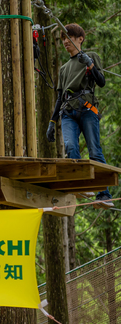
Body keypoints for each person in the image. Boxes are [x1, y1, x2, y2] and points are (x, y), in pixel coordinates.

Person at [45, 23, 112, 207]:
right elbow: (60, 97)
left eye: (69, 38)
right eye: (63, 39)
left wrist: (89, 65)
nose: (65, 42)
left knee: (94, 151)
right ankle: (82, 185)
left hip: (87, 109)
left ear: (80, 39)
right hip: (67, 112)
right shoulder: (64, 68)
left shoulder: (91, 57)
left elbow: (101, 82)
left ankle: (104, 194)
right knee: (70, 147)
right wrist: (52, 121)